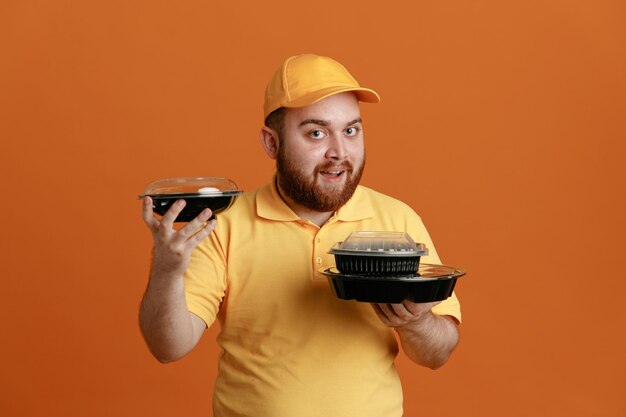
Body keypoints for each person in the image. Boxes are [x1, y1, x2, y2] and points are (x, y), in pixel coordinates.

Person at [139, 53, 461, 417]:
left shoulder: (399, 220)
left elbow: (438, 353)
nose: (339, 152)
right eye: (317, 133)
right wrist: (166, 270)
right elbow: (167, 347)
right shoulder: (225, 224)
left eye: (351, 130)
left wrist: (416, 321)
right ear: (271, 143)